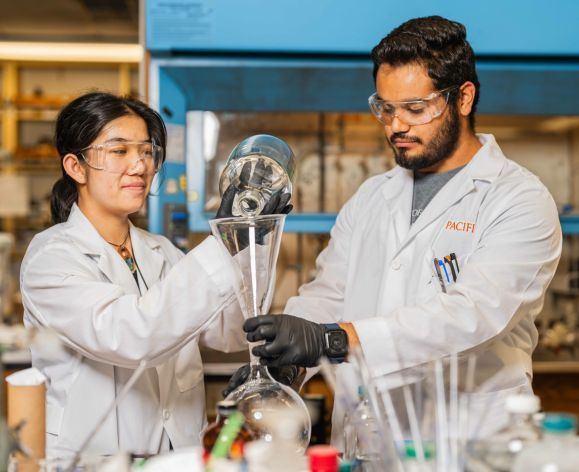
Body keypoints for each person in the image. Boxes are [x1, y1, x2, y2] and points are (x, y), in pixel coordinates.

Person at [226, 16, 562, 445]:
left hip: (467, 442)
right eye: (385, 108)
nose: (395, 126)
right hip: (370, 436)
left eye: (415, 109)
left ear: (463, 98)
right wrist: (289, 364)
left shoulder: (517, 199)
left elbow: (472, 315)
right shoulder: (372, 196)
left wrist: (333, 340)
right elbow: (329, 294)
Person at [20, 92, 290, 458]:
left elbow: (229, 332)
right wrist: (221, 243)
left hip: (177, 456)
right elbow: (131, 335)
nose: (140, 166)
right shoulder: (51, 258)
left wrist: (248, 241)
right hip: (93, 461)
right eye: (119, 151)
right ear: (76, 167)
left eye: (147, 152)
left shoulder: (160, 250)